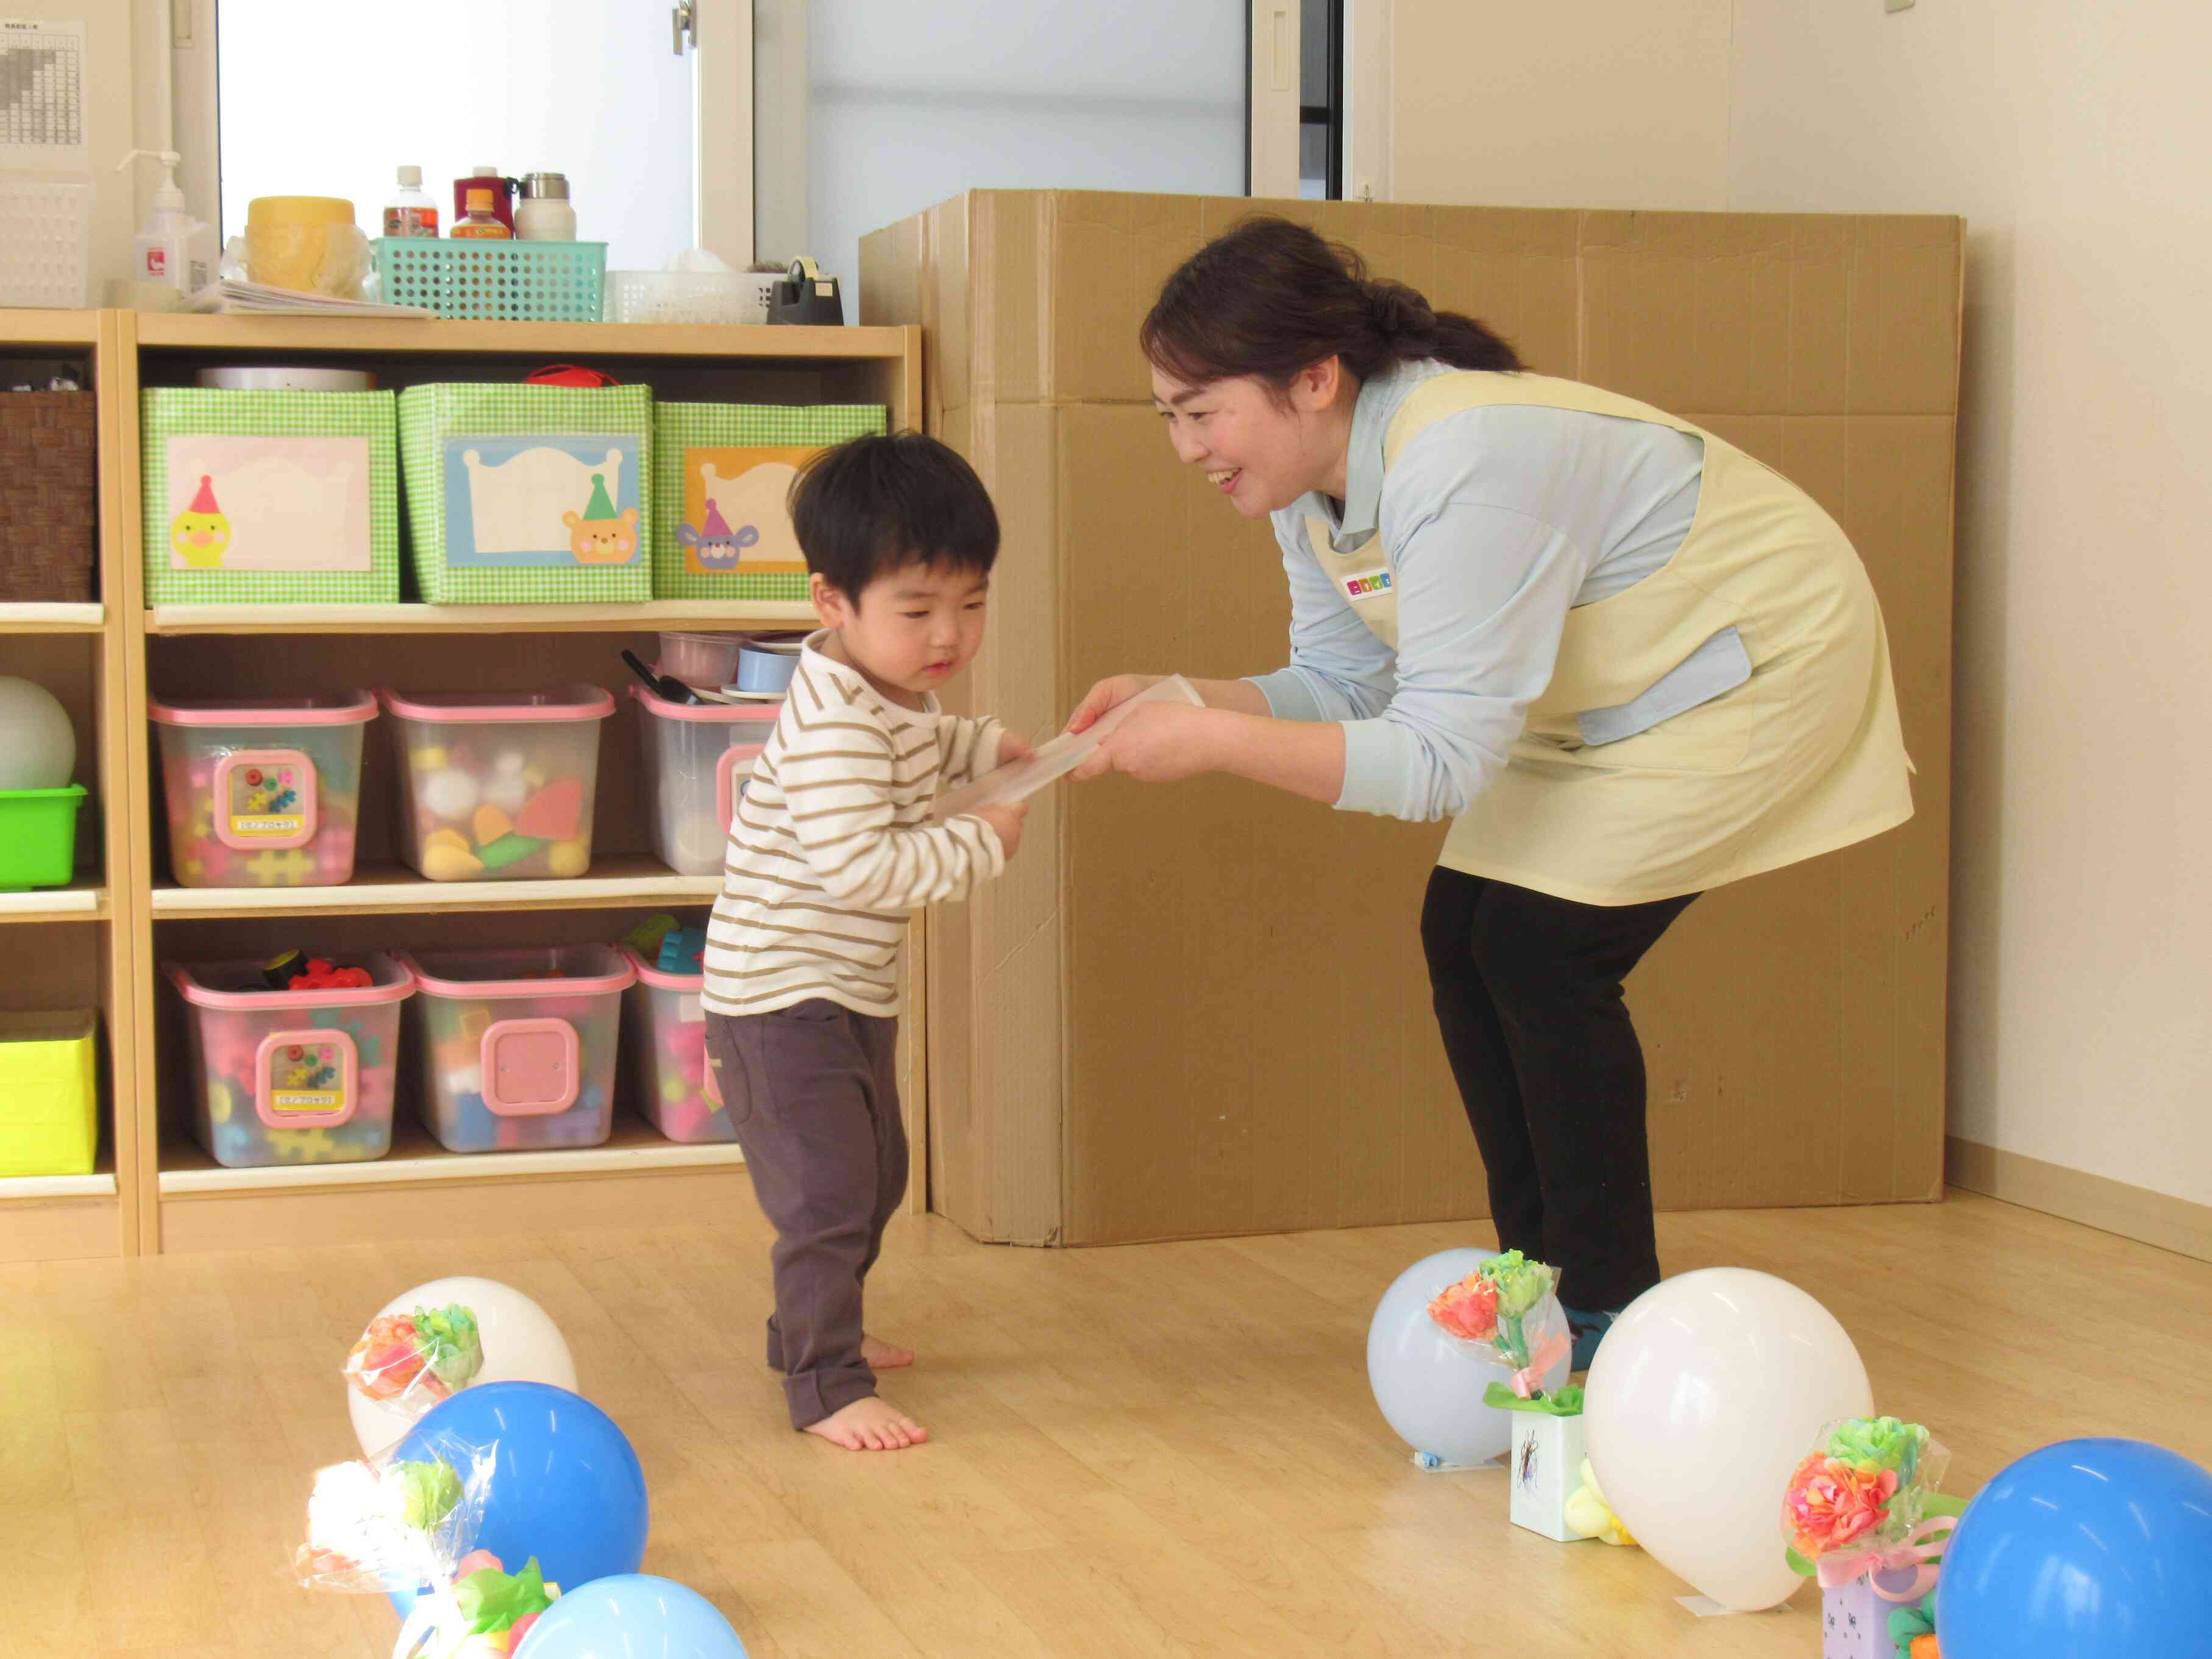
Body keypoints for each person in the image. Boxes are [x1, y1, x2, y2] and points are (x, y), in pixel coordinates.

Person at [1067, 218, 1913, 1369]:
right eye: (1167, 416)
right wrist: (1178, 697)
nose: (1186, 447)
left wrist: (1211, 741)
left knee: (1540, 948)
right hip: (1600, 699)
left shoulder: (1462, 458)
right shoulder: (1313, 491)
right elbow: (1347, 682)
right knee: (1464, 933)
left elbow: (1435, 762)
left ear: (1313, 378)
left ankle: (1608, 1310)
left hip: (1751, 667)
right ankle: (1542, 1284)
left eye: (1201, 411)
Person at [702, 433, 1032, 1450]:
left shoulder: (885, 688)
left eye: (971, 603)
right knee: (829, 1193)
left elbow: (924, 744)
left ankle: (813, 1325)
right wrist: (982, 840)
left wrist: (987, 746)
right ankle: (824, 1382)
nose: (949, 635)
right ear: (831, 600)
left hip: (843, 987)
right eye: (918, 609)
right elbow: (865, 868)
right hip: (777, 998)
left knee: (878, 1171)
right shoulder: (837, 725)